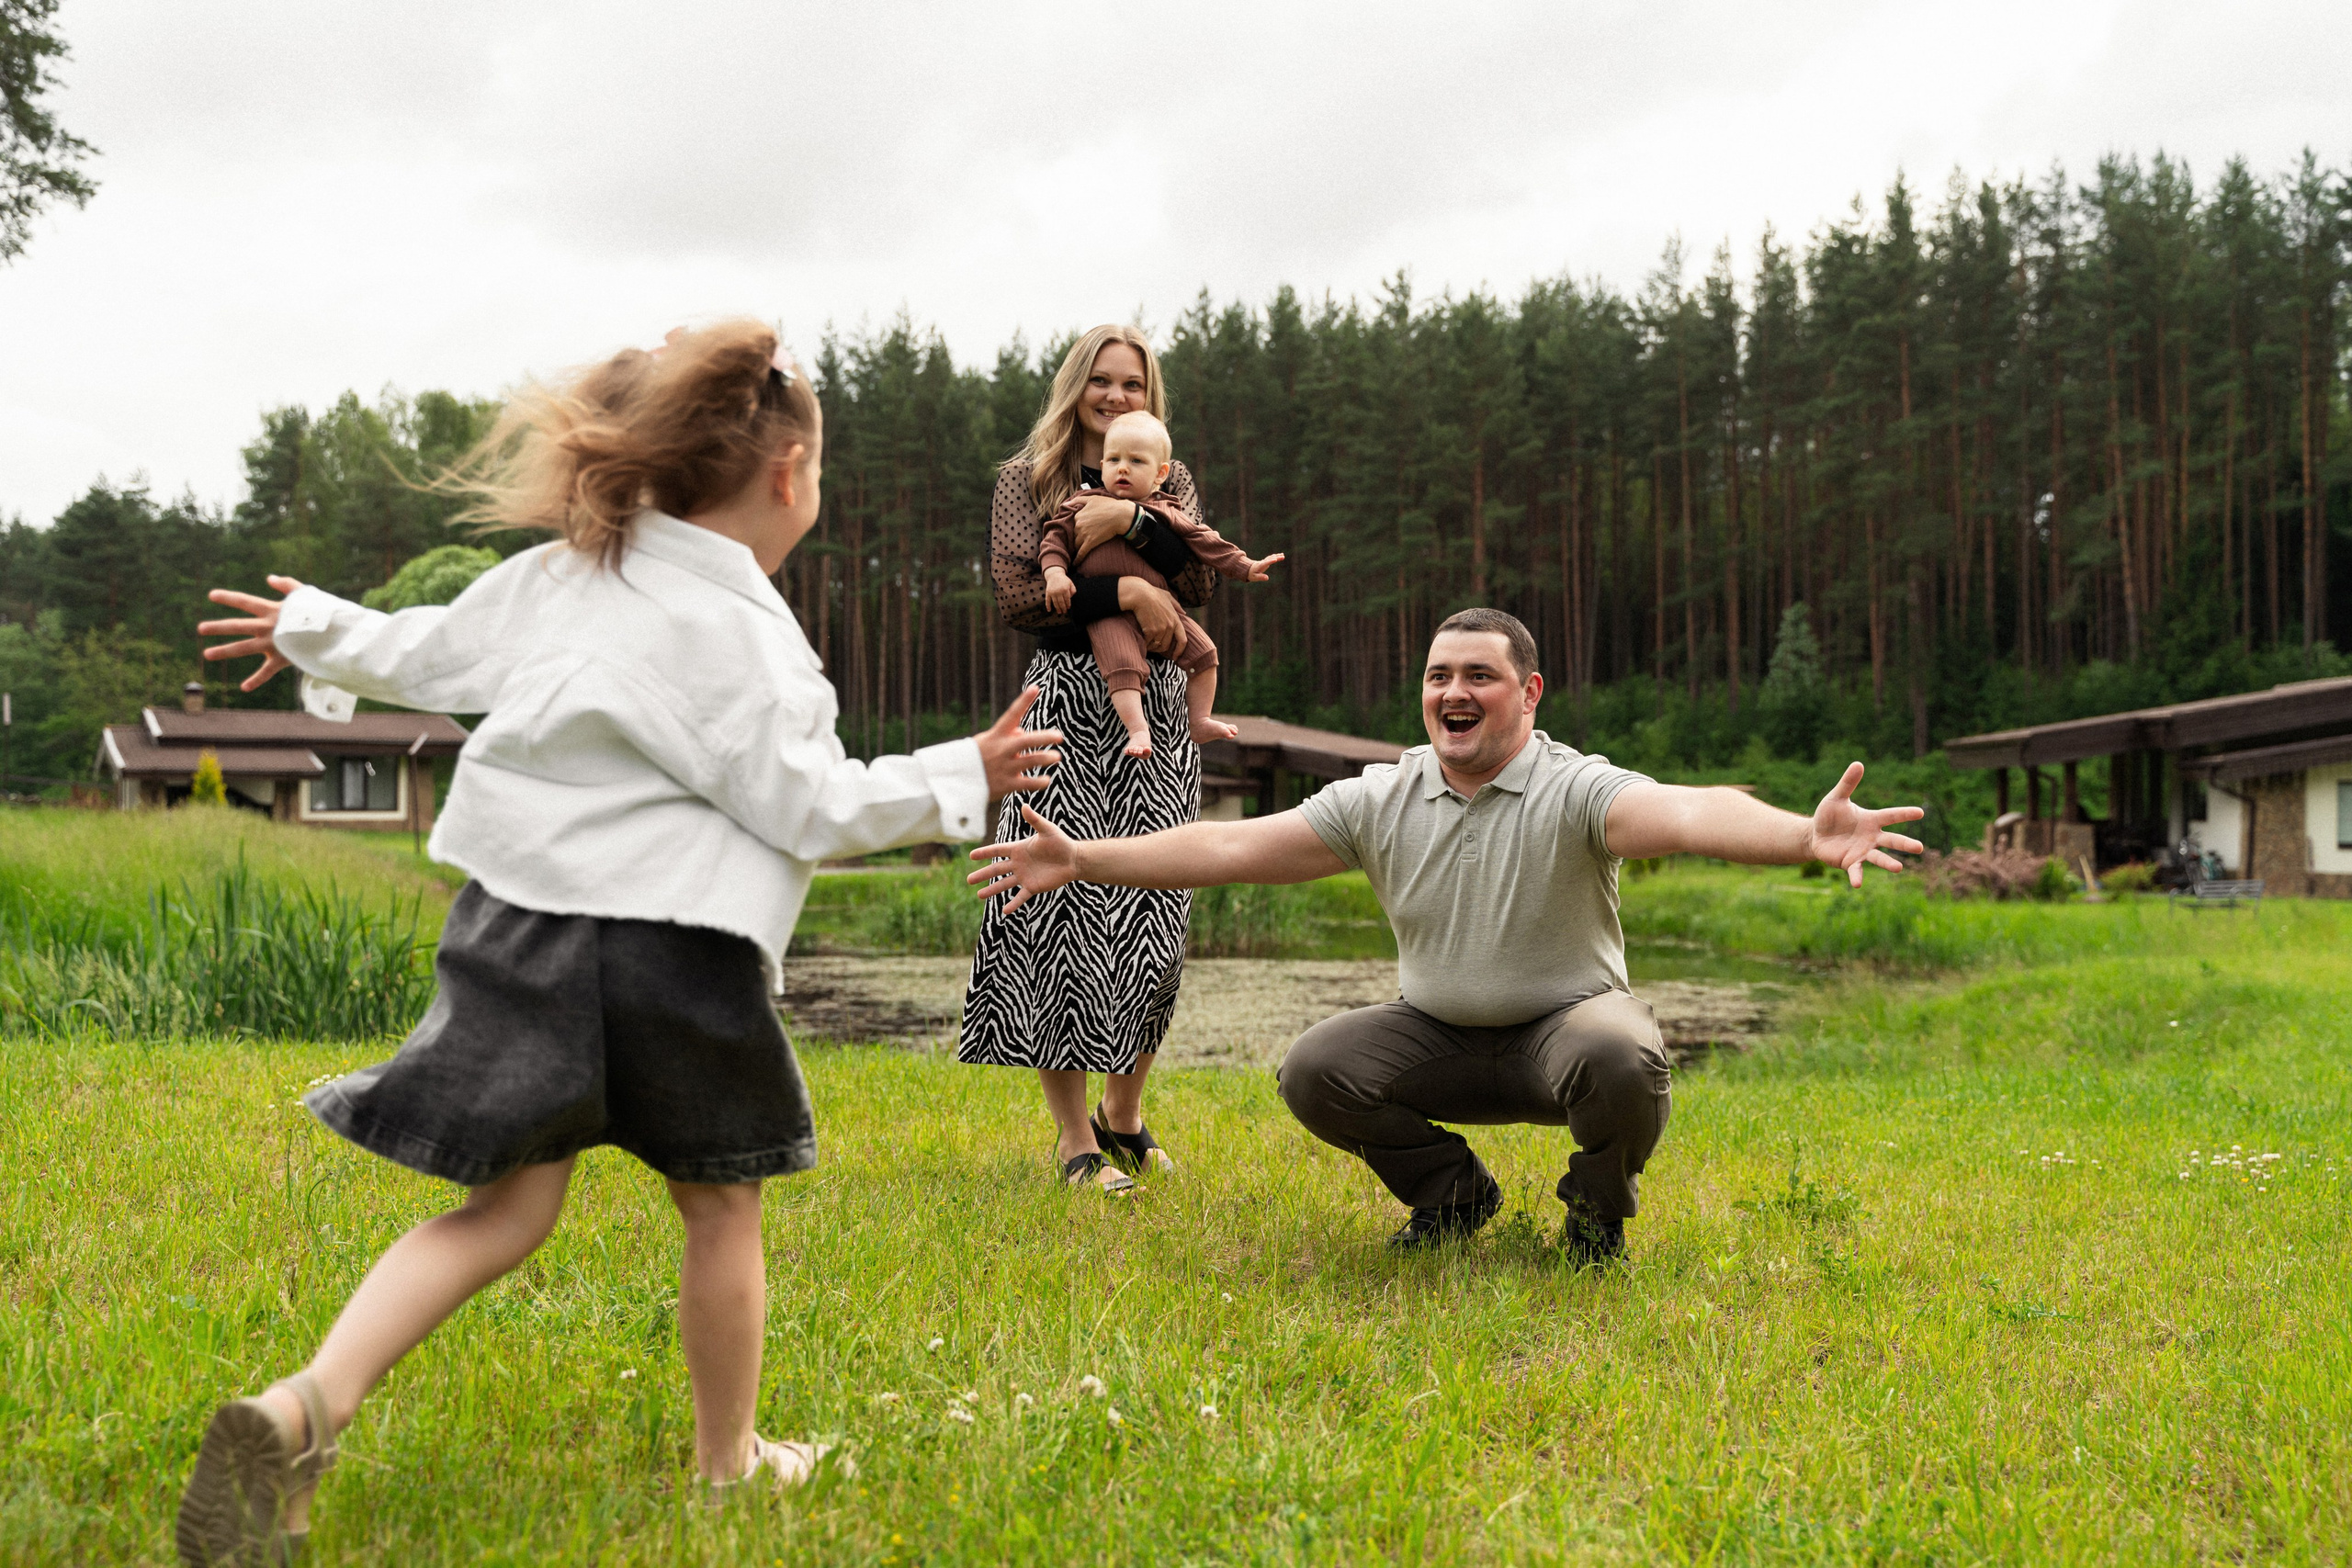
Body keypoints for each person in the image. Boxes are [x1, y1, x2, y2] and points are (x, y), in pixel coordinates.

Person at [173, 320, 1063, 1566]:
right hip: (675, 947)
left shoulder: (564, 574)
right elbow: (810, 804)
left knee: (504, 1207)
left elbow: (429, 648)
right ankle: (727, 1466)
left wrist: (310, 625)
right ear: (793, 475)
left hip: (517, 924)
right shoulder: (753, 640)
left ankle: (305, 1406)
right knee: (721, 1201)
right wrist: (957, 768)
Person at [968, 607, 1925, 1255]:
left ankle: (1596, 1214)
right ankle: (1451, 1196)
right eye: (1438, 676)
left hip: (1565, 1039)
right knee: (1313, 1068)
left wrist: (1804, 835)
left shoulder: (1574, 786)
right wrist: (1085, 858)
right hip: (1436, 1038)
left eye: (1479, 676)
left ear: (1530, 693)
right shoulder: (1382, 797)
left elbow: (1689, 811)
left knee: (1621, 1054)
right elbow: (1225, 847)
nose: (1453, 692)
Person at [958, 325, 1217, 1193]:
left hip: (1156, 708)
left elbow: (1202, 587)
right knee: (1051, 915)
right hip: (1063, 705)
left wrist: (1141, 523)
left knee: (1156, 906)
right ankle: (1075, 1139)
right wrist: (1131, 588)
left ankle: (1125, 1115)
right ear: (1077, 387)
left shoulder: (1167, 475)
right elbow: (1020, 597)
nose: (1115, 397)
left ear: (1150, 396)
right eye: (1101, 382)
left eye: (1132, 384)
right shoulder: (1024, 481)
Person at [1039, 410, 1282, 757]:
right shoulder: (1082, 503)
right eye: (1113, 459)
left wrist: (1245, 566)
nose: (1122, 468)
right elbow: (1053, 542)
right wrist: (1055, 574)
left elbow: (1205, 542)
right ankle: (1138, 730)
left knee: (1206, 653)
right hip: (1110, 611)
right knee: (1124, 666)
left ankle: (1199, 720)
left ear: (1160, 473)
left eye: (1135, 461)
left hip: (1165, 607)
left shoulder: (1165, 510)